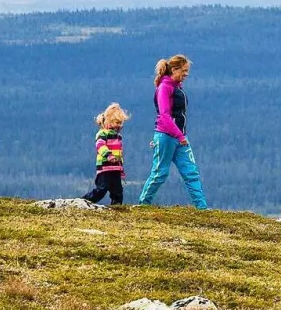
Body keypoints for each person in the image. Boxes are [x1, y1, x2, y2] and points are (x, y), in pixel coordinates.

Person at [136, 55, 208, 209]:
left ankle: (202, 208)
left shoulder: (176, 87)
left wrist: (181, 136)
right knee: (159, 173)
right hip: (167, 137)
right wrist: (179, 136)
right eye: (184, 70)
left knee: (191, 172)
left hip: (180, 137)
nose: (186, 74)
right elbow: (164, 116)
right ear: (174, 69)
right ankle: (143, 205)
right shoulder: (164, 87)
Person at [81, 102, 128, 206]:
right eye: (116, 123)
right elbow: (100, 145)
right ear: (108, 121)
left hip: (115, 169)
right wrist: (108, 155)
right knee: (101, 189)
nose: (119, 126)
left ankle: (117, 206)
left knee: (117, 191)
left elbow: (119, 154)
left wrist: (120, 168)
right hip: (105, 169)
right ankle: (83, 201)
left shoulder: (118, 137)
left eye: (120, 123)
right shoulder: (102, 134)